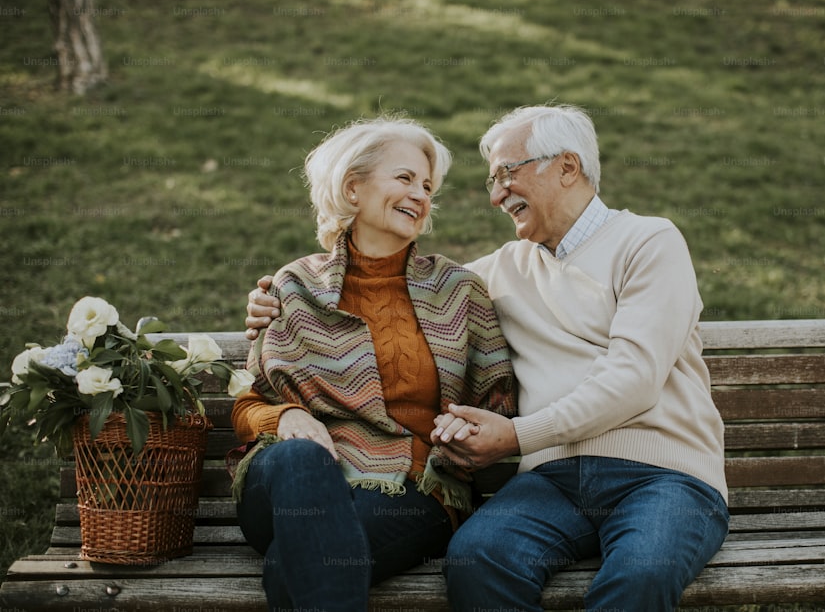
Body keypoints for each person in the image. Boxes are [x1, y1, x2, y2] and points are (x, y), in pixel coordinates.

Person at [246, 104, 728, 612]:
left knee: (640, 576)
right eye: (491, 180)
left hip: (663, 475)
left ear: (567, 167)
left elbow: (635, 377)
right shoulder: (499, 271)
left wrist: (517, 436)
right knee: (477, 561)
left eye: (506, 174)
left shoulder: (649, 242)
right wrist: (272, 299)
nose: (495, 195)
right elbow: (392, 286)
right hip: (554, 482)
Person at [232, 117, 516, 612]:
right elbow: (249, 400)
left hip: (411, 487)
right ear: (353, 188)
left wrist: (465, 431)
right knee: (303, 458)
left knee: (289, 568)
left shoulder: (458, 289)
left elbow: (498, 403)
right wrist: (285, 417)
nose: (420, 194)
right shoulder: (295, 284)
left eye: (427, 186)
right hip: (287, 481)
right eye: (404, 178)